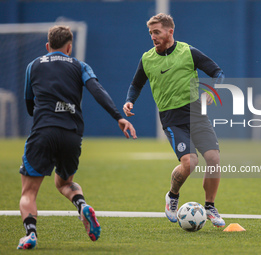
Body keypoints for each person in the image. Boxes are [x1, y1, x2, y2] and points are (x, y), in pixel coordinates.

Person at [17, 25, 137, 250]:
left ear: (47, 46)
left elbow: (29, 105)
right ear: (69, 47)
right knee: (65, 182)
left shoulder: (33, 65)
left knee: (29, 191)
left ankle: (30, 233)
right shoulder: (80, 66)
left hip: (43, 132)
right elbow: (98, 91)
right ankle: (82, 206)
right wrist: (118, 118)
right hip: (71, 134)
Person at [123, 13, 225, 227]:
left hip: (197, 114)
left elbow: (218, 73)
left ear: (170, 31)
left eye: (157, 32)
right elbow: (136, 84)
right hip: (172, 118)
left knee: (214, 159)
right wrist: (130, 101)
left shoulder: (188, 52)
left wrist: (213, 93)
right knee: (190, 162)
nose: (153, 36)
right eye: (151, 33)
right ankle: (172, 196)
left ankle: (210, 207)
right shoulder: (147, 58)